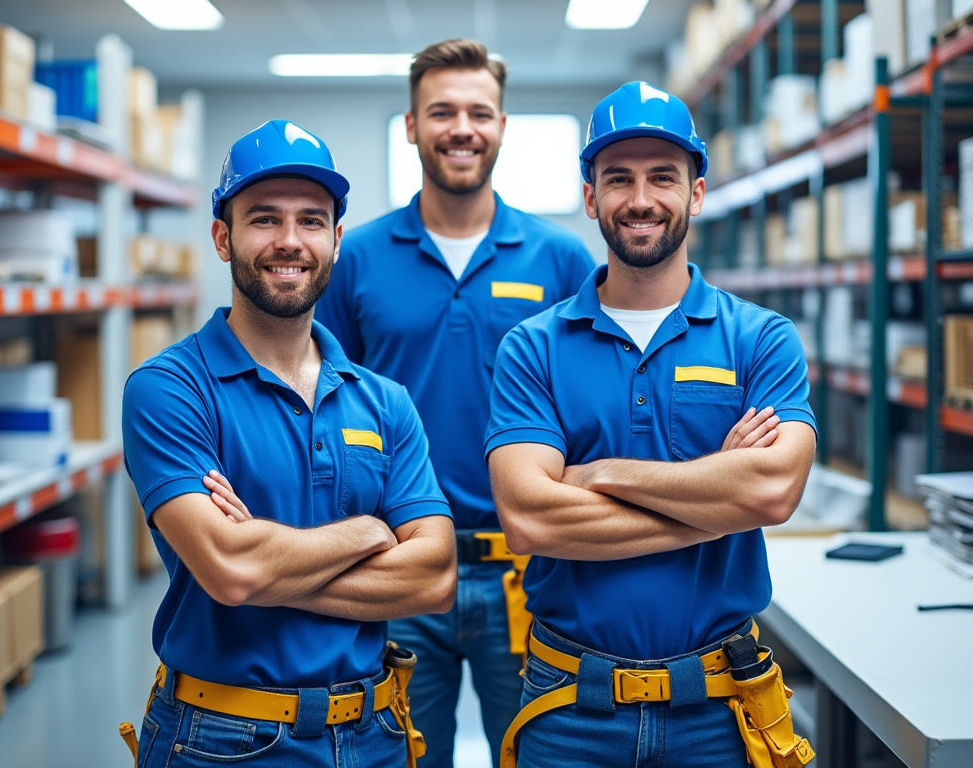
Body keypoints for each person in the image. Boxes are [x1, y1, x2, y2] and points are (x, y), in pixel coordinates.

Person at [484, 81, 819, 768]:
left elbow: (773, 493)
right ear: (590, 198)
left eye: (663, 177)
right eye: (619, 179)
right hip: (569, 704)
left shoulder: (760, 338)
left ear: (696, 192)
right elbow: (530, 520)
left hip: (720, 709)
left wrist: (601, 474)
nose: (641, 200)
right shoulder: (533, 346)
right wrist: (715, 494)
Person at [119, 119, 456, 768]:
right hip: (220, 739)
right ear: (224, 237)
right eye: (264, 219)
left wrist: (266, 560)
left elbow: (436, 578)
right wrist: (368, 532)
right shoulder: (169, 390)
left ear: (336, 240)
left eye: (311, 220)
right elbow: (231, 567)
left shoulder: (385, 401)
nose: (289, 241)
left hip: (375, 733)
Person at [313, 38, 596, 768]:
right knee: (402, 756)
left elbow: (589, 405)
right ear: (411, 126)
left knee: (539, 754)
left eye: (480, 111)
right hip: (402, 566)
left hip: (530, 570)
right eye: (441, 111)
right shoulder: (358, 260)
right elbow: (324, 404)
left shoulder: (560, 260)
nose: (461, 128)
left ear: (503, 126)